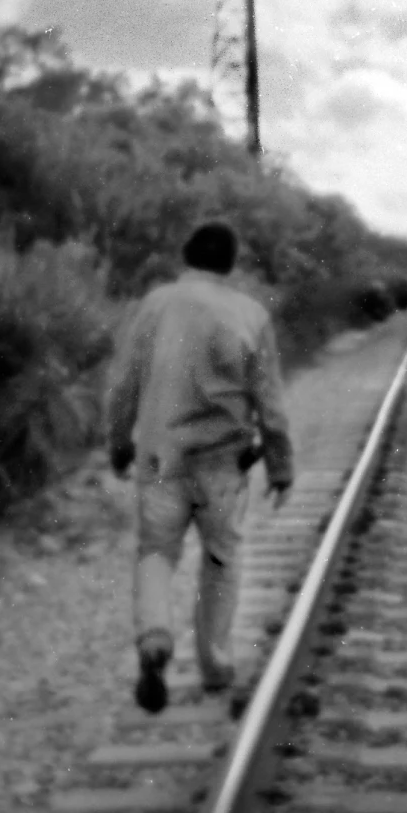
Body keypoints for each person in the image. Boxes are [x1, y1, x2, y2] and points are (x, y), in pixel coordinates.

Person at [105, 221, 293, 712]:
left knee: (157, 553)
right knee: (222, 559)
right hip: (223, 463)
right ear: (230, 265)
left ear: (185, 255)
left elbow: (123, 382)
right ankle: (216, 666)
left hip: (161, 457)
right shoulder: (251, 314)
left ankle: (155, 640)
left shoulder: (155, 305)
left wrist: (118, 441)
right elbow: (270, 401)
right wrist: (280, 464)